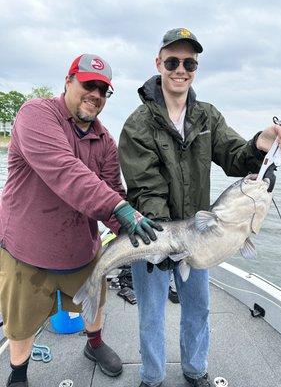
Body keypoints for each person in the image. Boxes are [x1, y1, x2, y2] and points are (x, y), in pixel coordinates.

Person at [118, 28, 281, 387]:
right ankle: (152, 377)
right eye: (172, 61)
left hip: (201, 234)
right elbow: (145, 187)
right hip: (153, 234)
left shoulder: (208, 117)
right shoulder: (137, 124)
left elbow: (234, 156)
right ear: (159, 64)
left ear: (195, 67)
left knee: (198, 309)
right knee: (151, 314)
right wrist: (166, 239)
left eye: (189, 62)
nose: (180, 69)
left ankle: (195, 370)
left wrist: (260, 145)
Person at [0, 53, 162, 387]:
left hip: (80, 249)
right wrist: (120, 208)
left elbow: (112, 191)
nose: (96, 95)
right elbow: (64, 171)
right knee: (21, 321)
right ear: (68, 81)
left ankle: (95, 345)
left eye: (104, 90)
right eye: (89, 84)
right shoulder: (36, 115)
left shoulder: (105, 141)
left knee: (95, 299)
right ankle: (18, 372)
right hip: (26, 248)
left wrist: (139, 235)